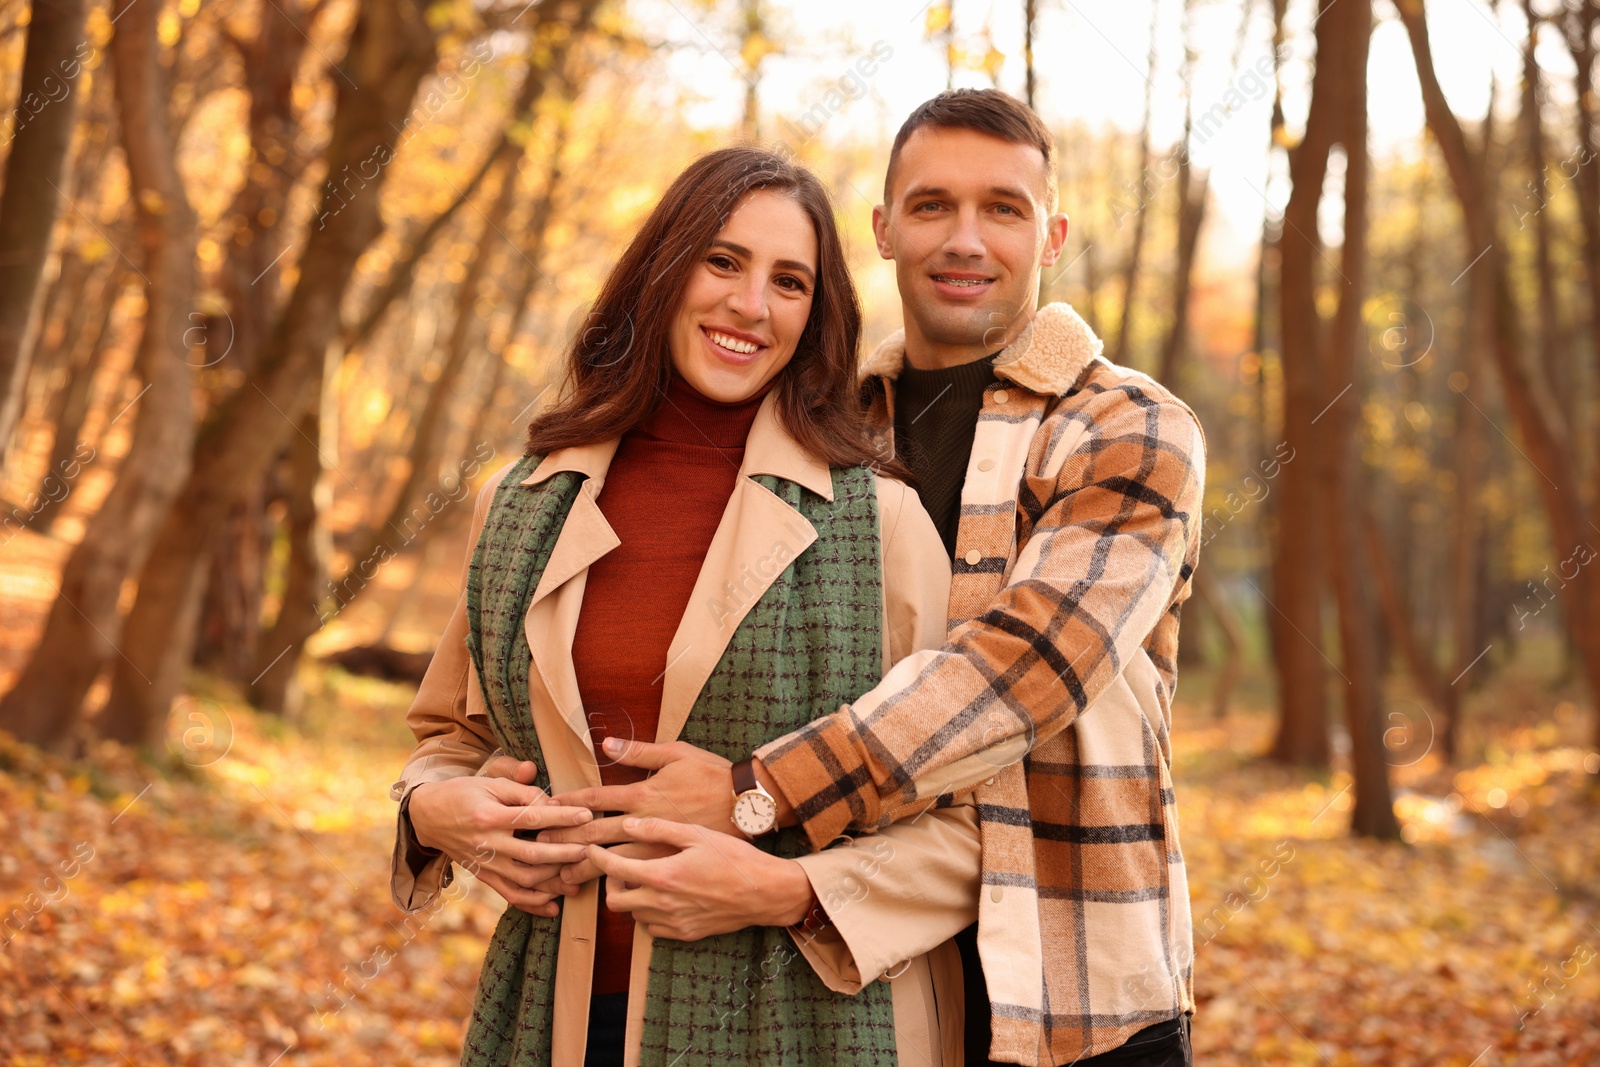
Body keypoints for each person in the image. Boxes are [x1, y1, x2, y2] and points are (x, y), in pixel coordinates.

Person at [537, 91, 1207, 1067]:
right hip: (861, 985)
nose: (964, 239)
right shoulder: (827, 432)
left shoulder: (1125, 427)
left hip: (1078, 996)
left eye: (1003, 209)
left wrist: (752, 792)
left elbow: (1026, 674)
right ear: (884, 228)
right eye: (931, 206)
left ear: (1051, 235)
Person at [388, 146, 981, 1066]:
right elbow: (449, 740)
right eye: (723, 261)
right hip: (553, 1013)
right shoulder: (521, 502)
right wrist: (435, 813)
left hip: (802, 1027)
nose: (751, 304)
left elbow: (968, 822)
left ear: (814, 316)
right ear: (663, 271)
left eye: (790, 281)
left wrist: (790, 889)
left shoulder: (881, 521)